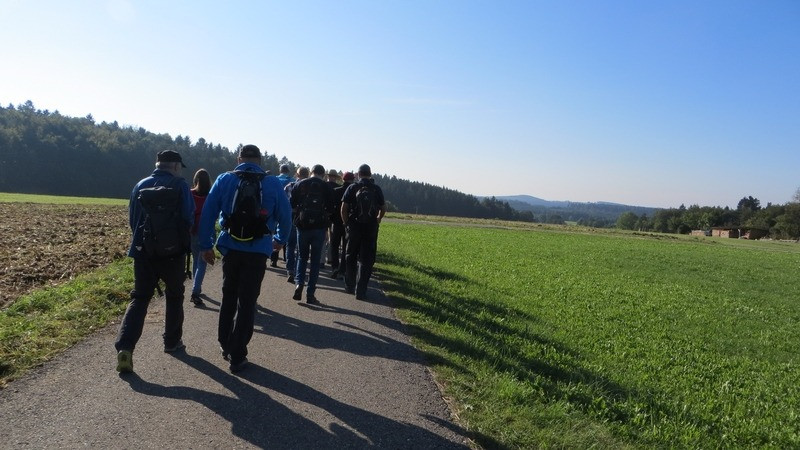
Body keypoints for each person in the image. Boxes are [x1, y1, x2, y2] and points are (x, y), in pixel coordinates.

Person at [198, 144, 292, 373]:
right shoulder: (271, 183)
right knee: (248, 301)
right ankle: (238, 355)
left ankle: (225, 343)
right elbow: (286, 215)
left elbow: (208, 213)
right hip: (258, 249)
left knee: (229, 295)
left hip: (231, 247)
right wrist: (280, 240)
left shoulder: (225, 179)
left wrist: (206, 245)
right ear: (259, 161)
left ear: (239, 159)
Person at [115, 150, 194, 373]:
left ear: (157, 164)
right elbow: (188, 216)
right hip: (173, 254)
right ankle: (172, 342)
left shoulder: (140, 185)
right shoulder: (180, 186)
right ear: (176, 166)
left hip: (143, 252)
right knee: (175, 295)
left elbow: (133, 220)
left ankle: (125, 348)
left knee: (140, 298)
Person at [290, 164, 336, 304]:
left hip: (302, 226)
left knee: (302, 257)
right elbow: (331, 208)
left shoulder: (300, 184)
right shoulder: (327, 187)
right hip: (319, 227)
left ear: (311, 172)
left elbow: (292, 203)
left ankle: (299, 284)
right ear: (323, 174)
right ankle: (310, 294)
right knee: (315, 261)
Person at [340, 164, 386, 300]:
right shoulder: (376, 189)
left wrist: (346, 223)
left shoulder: (352, 187)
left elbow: (343, 208)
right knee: (366, 259)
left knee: (350, 256)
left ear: (358, 174)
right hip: (370, 227)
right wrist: (378, 219)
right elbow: (383, 207)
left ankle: (349, 285)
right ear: (370, 174)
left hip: (354, 226)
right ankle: (361, 290)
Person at [189, 169, 212, 307]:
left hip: (193, 231)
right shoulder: (210, 196)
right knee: (202, 262)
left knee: (196, 259)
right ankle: (195, 290)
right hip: (206, 231)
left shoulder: (190, 194)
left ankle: (196, 286)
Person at [284, 166, 309, 284]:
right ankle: (299, 271)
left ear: (297, 175)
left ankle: (290, 270)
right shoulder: (311, 187)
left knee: (290, 245)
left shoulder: (289, 186)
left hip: (291, 217)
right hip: (304, 219)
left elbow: (284, 203)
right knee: (301, 248)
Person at [329, 171, 354, 279]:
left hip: (336, 222)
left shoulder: (336, 191)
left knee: (334, 246)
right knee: (345, 247)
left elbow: (331, 207)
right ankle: (342, 270)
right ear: (352, 180)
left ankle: (335, 267)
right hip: (348, 223)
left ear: (343, 179)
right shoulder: (353, 191)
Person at [270, 164, 295, 268]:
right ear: (288, 171)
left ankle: (273, 259)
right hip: (287, 210)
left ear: (280, 170)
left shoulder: (274, 180)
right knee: (286, 232)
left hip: (275, 210)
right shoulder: (292, 180)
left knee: (275, 233)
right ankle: (286, 257)